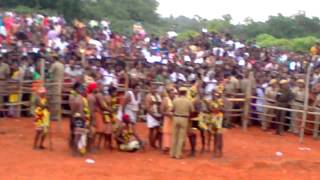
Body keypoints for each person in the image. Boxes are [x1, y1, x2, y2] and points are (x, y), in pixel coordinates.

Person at [170, 87, 194, 159]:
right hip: (184, 119)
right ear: (186, 93)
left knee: (174, 136)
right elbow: (192, 111)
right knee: (181, 138)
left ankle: (172, 153)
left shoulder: (175, 100)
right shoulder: (188, 101)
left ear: (179, 93)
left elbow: (172, 110)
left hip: (176, 118)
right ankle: (178, 154)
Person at [69, 82, 90, 156]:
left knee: (79, 135)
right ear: (82, 91)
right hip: (79, 119)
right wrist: (74, 119)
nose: (86, 92)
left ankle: (76, 151)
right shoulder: (78, 99)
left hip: (80, 118)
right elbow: (74, 111)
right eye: (85, 91)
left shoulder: (81, 99)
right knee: (78, 135)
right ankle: (74, 152)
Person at [189, 92, 208, 156]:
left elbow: (193, 111)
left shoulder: (194, 101)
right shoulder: (203, 101)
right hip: (201, 120)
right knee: (202, 134)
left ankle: (193, 150)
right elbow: (205, 110)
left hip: (195, 120)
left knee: (194, 134)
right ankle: (202, 147)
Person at [207, 91, 224, 158]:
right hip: (213, 119)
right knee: (215, 136)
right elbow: (209, 109)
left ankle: (218, 152)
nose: (215, 96)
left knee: (218, 136)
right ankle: (217, 152)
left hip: (219, 119)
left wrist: (216, 109)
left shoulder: (220, 101)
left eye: (216, 95)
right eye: (214, 95)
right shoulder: (211, 102)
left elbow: (222, 109)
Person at [145, 83, 162, 149]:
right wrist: (154, 116)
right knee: (151, 130)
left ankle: (154, 142)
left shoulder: (158, 96)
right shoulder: (148, 96)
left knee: (158, 130)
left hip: (158, 114)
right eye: (152, 89)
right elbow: (147, 108)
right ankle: (151, 144)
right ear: (150, 89)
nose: (154, 90)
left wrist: (160, 115)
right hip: (151, 114)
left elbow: (160, 105)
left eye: (155, 89)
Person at [48, 54, 64, 121]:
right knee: (58, 98)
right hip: (60, 83)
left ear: (53, 58)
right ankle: (57, 115)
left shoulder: (54, 65)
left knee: (54, 99)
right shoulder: (62, 65)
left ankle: (54, 116)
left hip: (54, 83)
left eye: (51, 58)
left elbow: (49, 73)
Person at [161, 88, 175, 153]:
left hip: (174, 119)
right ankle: (166, 147)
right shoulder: (165, 100)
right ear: (168, 93)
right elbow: (161, 111)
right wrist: (168, 114)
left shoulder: (175, 99)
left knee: (173, 132)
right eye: (171, 93)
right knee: (166, 132)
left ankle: (171, 147)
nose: (173, 94)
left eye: (173, 93)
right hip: (167, 118)